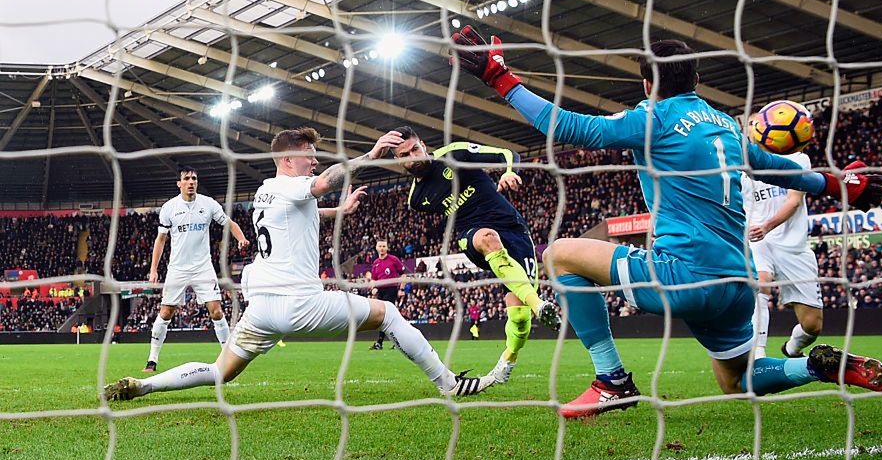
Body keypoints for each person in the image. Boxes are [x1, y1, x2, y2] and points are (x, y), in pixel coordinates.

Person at [450, 26, 882, 417]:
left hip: (684, 276)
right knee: (738, 381)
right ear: (698, 79)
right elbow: (779, 169)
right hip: (738, 282)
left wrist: (499, 77)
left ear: (646, 82)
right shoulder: (725, 123)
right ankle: (815, 366)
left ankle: (612, 379)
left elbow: (568, 126)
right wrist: (841, 185)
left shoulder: (654, 118)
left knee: (560, 255)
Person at [104, 127, 494, 402]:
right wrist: (369, 157)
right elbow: (322, 183)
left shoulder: (265, 192)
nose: (315, 161)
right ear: (287, 159)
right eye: (309, 155)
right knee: (389, 313)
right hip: (299, 303)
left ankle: (145, 386)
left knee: (220, 371)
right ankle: (448, 383)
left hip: (262, 309)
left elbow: (302, 209)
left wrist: (338, 211)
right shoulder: (290, 184)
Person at [375, 125, 560, 385]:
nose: (413, 157)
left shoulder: (455, 154)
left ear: (424, 145)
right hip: (472, 235)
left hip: (513, 229)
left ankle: (507, 359)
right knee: (487, 238)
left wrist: (509, 173)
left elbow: (508, 154)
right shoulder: (416, 199)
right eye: (405, 154)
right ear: (398, 160)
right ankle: (539, 304)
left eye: (415, 149)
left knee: (519, 320)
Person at [144, 166, 250, 372]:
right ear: (179, 183)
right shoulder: (169, 208)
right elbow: (161, 240)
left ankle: (227, 357)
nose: (191, 181)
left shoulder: (208, 204)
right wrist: (153, 269)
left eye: (194, 178)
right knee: (166, 312)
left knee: (217, 311)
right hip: (178, 268)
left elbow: (229, 222)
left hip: (203, 267)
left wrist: (241, 238)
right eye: (187, 178)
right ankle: (152, 359)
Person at [743, 141, 823, 359]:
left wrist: (767, 226)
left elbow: (795, 200)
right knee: (761, 284)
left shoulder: (798, 159)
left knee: (812, 325)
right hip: (758, 240)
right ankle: (757, 355)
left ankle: (792, 348)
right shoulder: (743, 168)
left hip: (793, 247)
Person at [369, 239, 405, 350]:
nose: (382, 248)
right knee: (385, 317)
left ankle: (381, 342)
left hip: (391, 289)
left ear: (387, 248)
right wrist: (373, 288)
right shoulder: (376, 263)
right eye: (380, 246)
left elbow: (403, 274)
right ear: (376, 248)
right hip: (381, 291)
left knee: (386, 316)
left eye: (384, 246)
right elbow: (373, 279)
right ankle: (394, 341)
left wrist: (401, 288)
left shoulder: (393, 259)